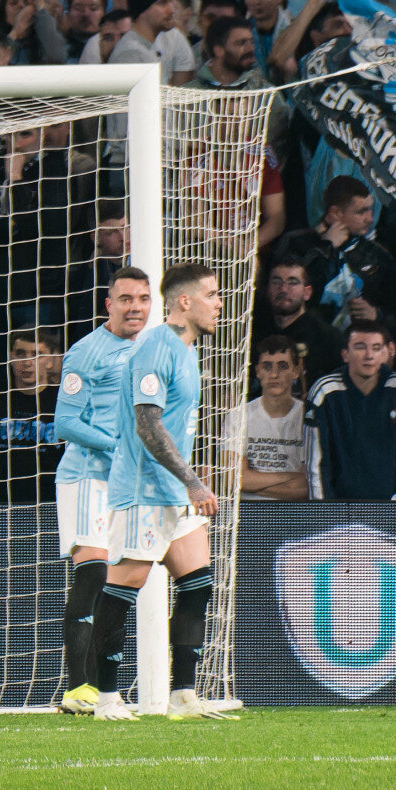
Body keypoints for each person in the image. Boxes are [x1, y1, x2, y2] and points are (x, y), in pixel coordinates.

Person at [90, 264, 240, 722]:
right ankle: (107, 698)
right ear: (184, 302)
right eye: (212, 295)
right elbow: (147, 424)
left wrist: (186, 482)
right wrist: (193, 481)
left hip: (173, 491)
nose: (220, 303)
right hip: (144, 489)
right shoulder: (156, 347)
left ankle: (183, 695)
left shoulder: (186, 349)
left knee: (197, 584)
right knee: (123, 587)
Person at [51, 268, 153, 714]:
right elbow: (65, 422)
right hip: (86, 477)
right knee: (92, 574)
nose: (135, 307)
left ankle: (103, 689)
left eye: (143, 299)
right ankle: (77, 688)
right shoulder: (87, 352)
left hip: (128, 482)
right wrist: (118, 446)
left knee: (116, 584)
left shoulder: (153, 349)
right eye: (126, 299)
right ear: (109, 305)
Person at [304, 323, 396, 501]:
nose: (369, 355)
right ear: (345, 354)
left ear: (386, 352)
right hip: (338, 511)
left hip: (392, 511)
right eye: (360, 347)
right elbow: (315, 466)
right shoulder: (324, 392)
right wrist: (328, 511)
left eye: (376, 348)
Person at [228, 336, 310, 501]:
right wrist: (291, 477)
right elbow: (232, 479)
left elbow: (306, 487)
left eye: (283, 366)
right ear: (257, 371)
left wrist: (251, 481)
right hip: (246, 510)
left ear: (296, 371)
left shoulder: (307, 417)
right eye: (267, 366)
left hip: (294, 511)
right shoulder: (238, 416)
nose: (274, 374)